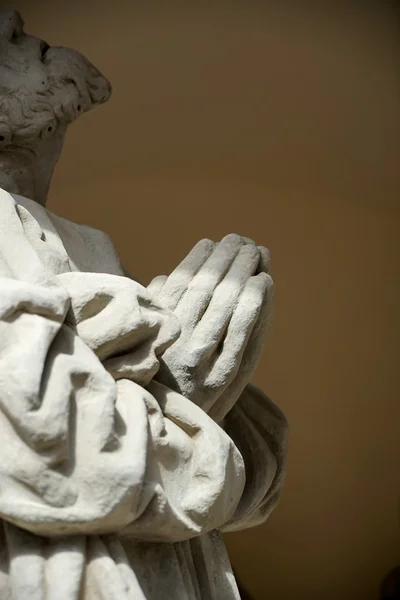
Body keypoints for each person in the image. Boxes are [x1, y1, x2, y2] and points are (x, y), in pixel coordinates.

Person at [0, 11, 288, 599]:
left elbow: (253, 475)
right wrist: (181, 390)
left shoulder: (87, 244)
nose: (16, 19)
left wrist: (189, 392)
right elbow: (43, 456)